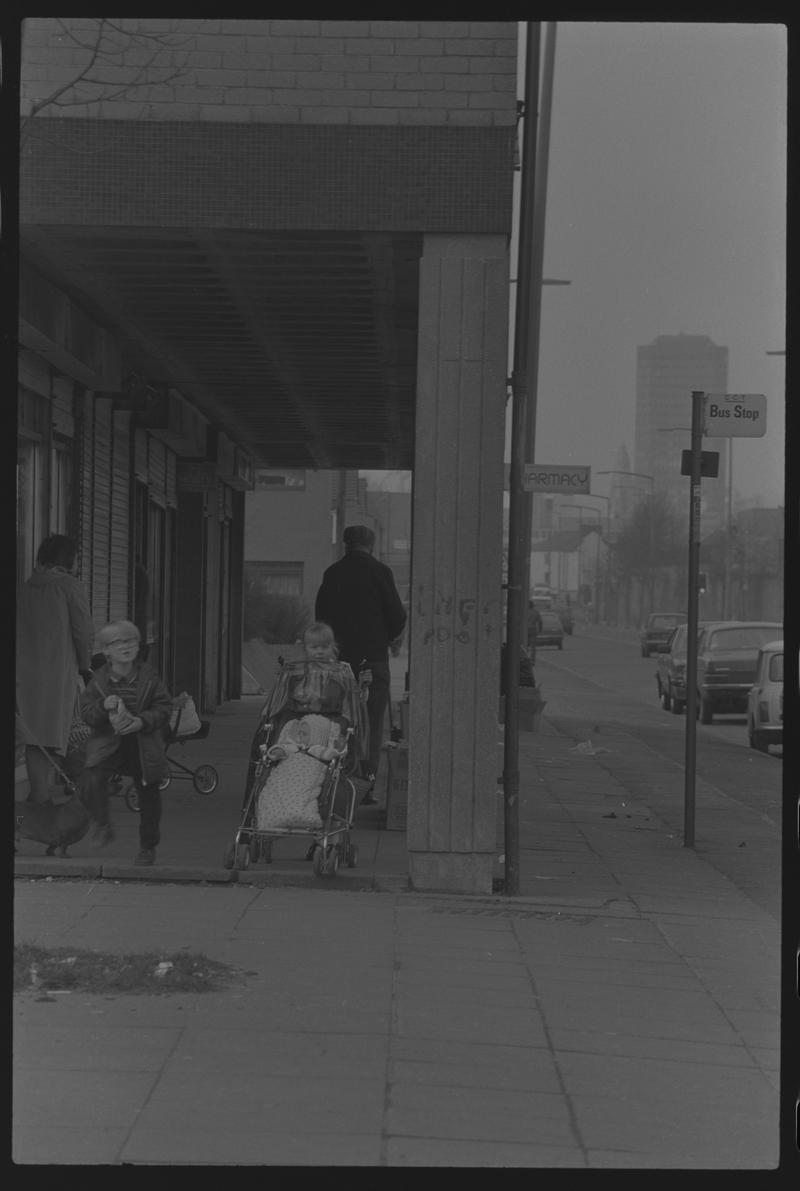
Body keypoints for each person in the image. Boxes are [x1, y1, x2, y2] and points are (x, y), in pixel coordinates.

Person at [315, 525, 407, 803]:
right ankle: (365, 785)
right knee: (372, 721)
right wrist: (386, 639)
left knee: (337, 719)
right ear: (372, 545)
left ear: (346, 545)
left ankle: (336, 779)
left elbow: (321, 616)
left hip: (338, 662)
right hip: (372, 660)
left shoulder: (332, 574)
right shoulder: (381, 572)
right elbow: (398, 615)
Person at [79, 620, 173, 864]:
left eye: (131, 641)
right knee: (92, 777)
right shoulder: (98, 681)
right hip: (109, 742)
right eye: (118, 642)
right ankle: (101, 824)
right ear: (106, 651)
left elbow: (164, 707)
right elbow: (86, 713)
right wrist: (103, 706)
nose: (126, 646)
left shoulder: (149, 677)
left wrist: (143, 721)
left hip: (143, 743)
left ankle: (147, 846)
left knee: (149, 792)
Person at [16, 534, 95, 805]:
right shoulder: (69, 586)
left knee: (34, 737)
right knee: (55, 735)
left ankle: (38, 794)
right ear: (68, 558)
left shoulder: (27, 586)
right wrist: (86, 666)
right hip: (57, 673)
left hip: (25, 675)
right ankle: (39, 799)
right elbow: (82, 631)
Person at [527, 599, 543, 664]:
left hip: (525, 630)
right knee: (533, 647)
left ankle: (524, 659)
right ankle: (532, 660)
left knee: (524, 645)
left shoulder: (524, 612)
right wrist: (540, 629)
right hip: (533, 630)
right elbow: (540, 622)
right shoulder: (536, 612)